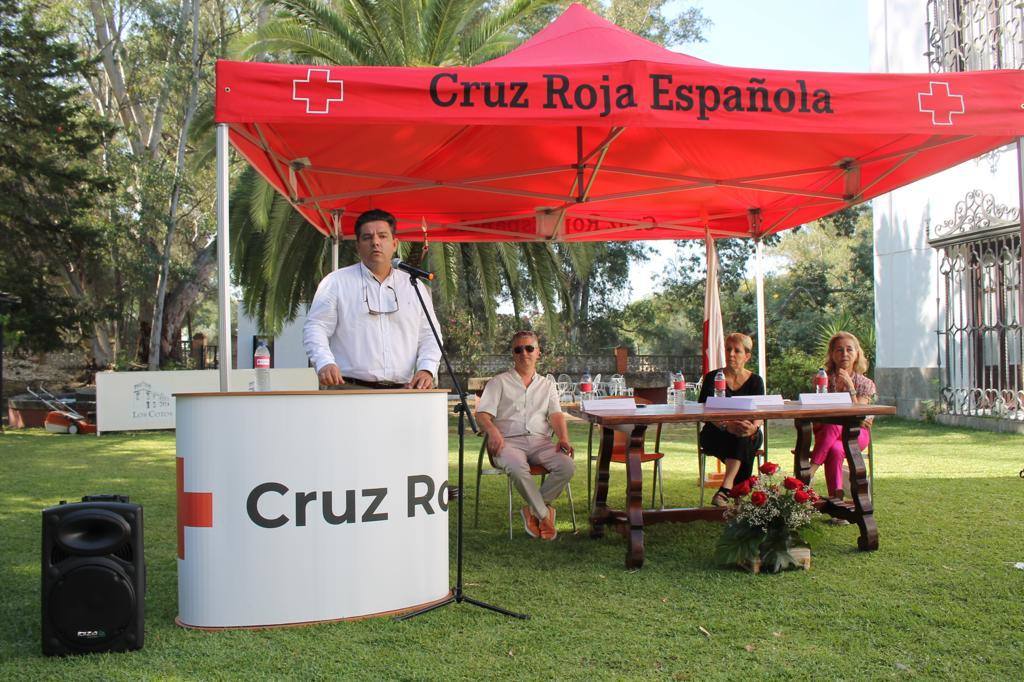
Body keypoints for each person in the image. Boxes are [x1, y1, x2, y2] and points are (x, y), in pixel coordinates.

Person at [303, 209, 441, 389]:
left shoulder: (413, 286)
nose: (375, 242)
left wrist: (427, 369)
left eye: (383, 236)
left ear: (394, 243)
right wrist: (324, 362)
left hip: (403, 393)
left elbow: (430, 334)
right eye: (367, 238)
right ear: (358, 246)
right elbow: (316, 327)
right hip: (349, 390)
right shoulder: (336, 282)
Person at [475, 331, 575, 541]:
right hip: (508, 442)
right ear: (513, 354)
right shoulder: (498, 382)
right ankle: (545, 515)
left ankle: (532, 510)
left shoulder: (548, 385)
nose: (524, 353)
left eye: (529, 348)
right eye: (518, 349)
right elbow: (482, 415)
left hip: (541, 442)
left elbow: (556, 415)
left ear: (538, 352)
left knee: (567, 465)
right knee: (517, 468)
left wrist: (564, 438)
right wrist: (492, 431)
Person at [698, 332, 765, 507]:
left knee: (744, 436)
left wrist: (754, 428)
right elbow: (703, 411)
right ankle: (736, 496)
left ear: (747, 356)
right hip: (716, 432)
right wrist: (726, 425)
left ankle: (725, 490)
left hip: (749, 430)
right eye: (728, 349)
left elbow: (761, 412)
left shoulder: (756, 381)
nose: (731, 354)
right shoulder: (713, 377)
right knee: (743, 443)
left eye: (737, 350)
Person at [808, 331, 876, 500]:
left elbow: (858, 416)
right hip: (827, 435)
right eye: (839, 350)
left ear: (857, 353)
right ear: (832, 354)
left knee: (833, 423)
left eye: (849, 349)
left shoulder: (866, 383)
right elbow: (816, 412)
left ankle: (810, 471)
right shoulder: (823, 380)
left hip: (856, 433)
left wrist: (850, 386)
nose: (844, 354)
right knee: (835, 449)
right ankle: (837, 501)